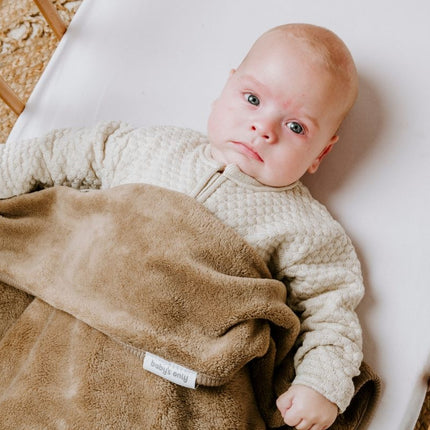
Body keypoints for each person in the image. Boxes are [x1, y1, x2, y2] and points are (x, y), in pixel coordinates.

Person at [0, 23, 363, 430]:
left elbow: (332, 313)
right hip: (75, 304)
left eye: (296, 127)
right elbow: (55, 155)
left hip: (175, 365)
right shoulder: (150, 144)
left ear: (320, 153)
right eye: (252, 99)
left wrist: (321, 383)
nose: (264, 128)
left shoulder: (308, 229)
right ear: (225, 90)